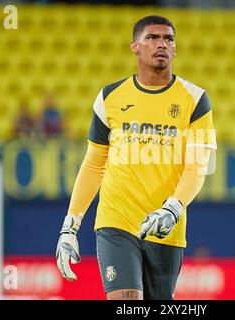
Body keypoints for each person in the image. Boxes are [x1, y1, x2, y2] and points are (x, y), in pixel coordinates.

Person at [55, 15, 217, 300]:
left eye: (168, 38)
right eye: (152, 38)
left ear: (175, 49)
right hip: (116, 222)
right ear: (134, 46)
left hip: (166, 226)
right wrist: (71, 225)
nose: (162, 44)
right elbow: (94, 164)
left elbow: (197, 167)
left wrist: (173, 208)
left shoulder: (195, 99)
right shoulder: (109, 97)